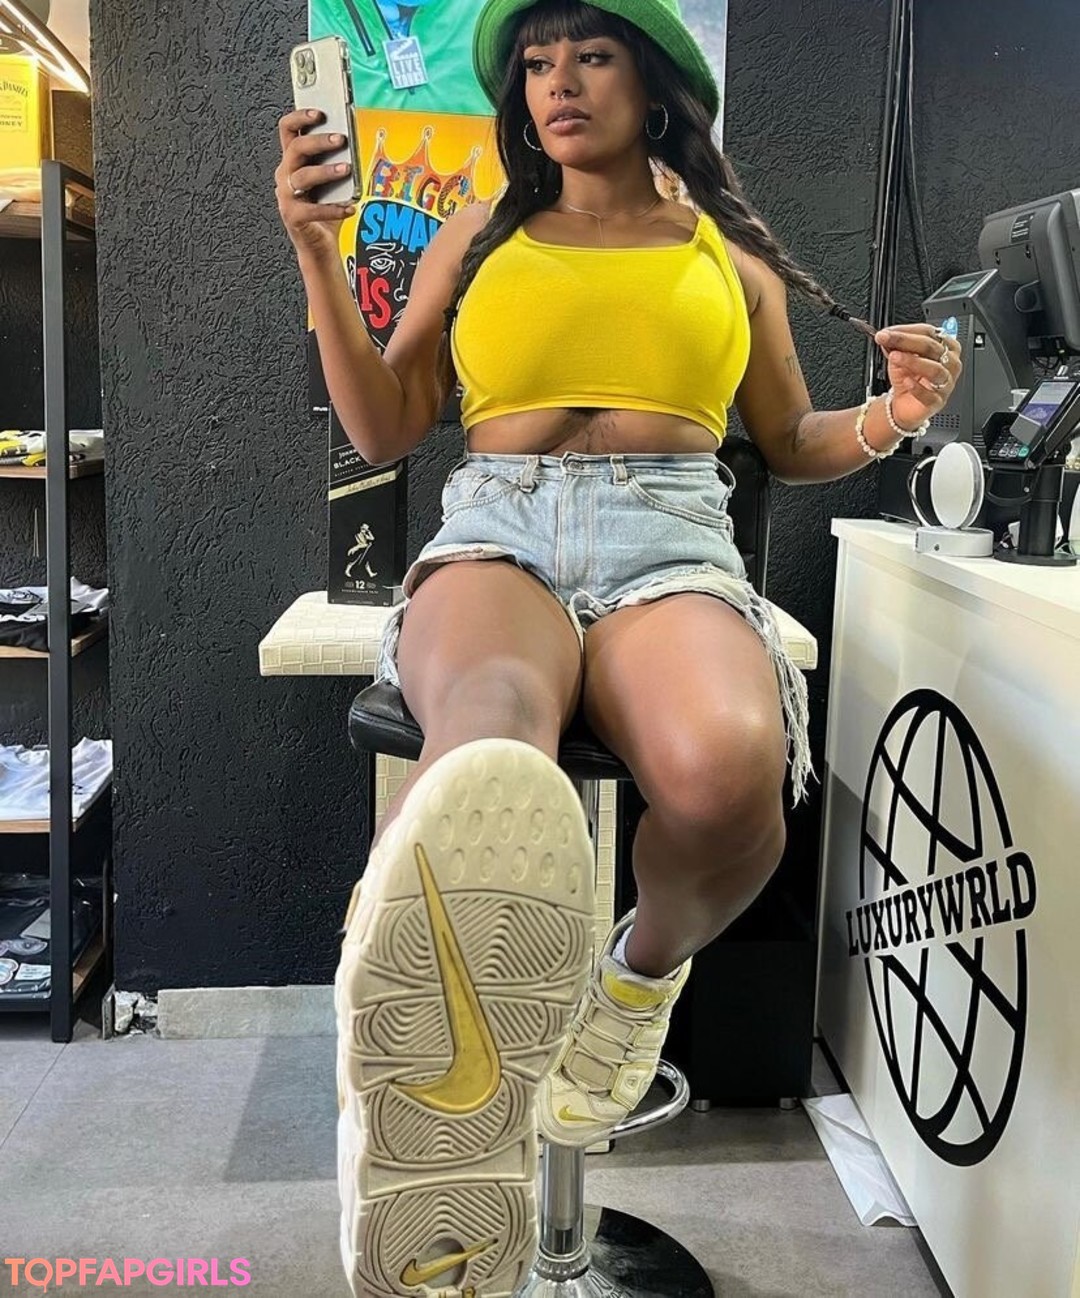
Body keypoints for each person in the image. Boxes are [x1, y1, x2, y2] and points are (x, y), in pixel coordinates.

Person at [275, 0, 962, 1292]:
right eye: (537, 62)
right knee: (486, 745)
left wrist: (892, 416)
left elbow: (788, 436)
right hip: (501, 532)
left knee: (731, 769)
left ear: (652, 83)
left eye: (590, 55)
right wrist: (319, 254)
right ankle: (436, 1091)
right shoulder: (478, 234)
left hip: (672, 540)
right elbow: (384, 427)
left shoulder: (728, 252)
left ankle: (632, 986)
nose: (559, 82)